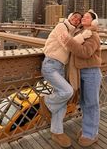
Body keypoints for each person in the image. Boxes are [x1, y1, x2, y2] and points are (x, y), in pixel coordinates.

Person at [39, 12, 92, 148]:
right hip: (50, 65)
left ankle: (57, 132)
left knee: (62, 102)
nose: (76, 19)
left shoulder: (73, 32)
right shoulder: (61, 26)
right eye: (74, 16)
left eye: (79, 19)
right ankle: (46, 101)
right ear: (69, 17)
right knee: (68, 91)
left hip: (61, 67)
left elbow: (75, 46)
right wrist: (83, 36)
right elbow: (67, 45)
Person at [62, 10, 102, 147]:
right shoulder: (79, 33)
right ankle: (88, 129)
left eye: (87, 17)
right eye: (83, 16)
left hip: (91, 72)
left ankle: (91, 134)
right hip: (81, 72)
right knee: (85, 104)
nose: (84, 18)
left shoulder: (94, 36)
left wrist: (69, 42)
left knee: (91, 104)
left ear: (94, 21)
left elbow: (85, 53)